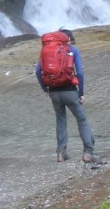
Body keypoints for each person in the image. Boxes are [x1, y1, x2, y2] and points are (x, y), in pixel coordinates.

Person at [35, 27, 97, 165]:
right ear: (68, 39)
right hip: (70, 91)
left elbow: (38, 71)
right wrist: (81, 93)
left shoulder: (46, 51)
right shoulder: (72, 50)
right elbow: (79, 73)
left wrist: (45, 89)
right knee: (82, 120)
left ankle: (61, 154)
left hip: (54, 92)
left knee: (61, 120)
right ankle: (88, 153)